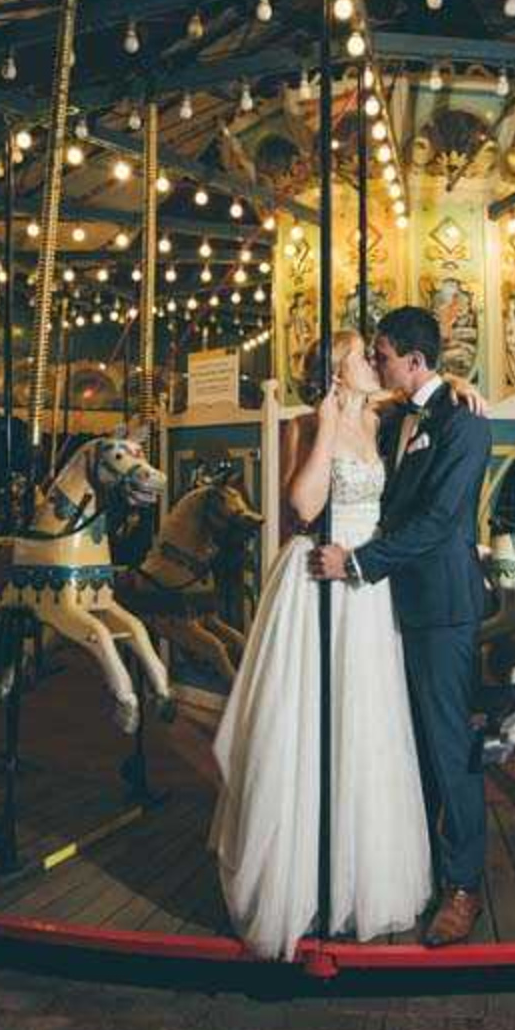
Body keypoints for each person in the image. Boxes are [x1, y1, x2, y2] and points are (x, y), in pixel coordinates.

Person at [209, 330, 432, 960]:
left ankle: (358, 875)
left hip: (364, 585)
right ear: (337, 371)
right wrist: (330, 424)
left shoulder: (383, 418)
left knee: (366, 726)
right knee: (307, 726)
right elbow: (301, 507)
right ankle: (300, 879)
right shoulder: (308, 424)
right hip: (318, 581)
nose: (374, 362)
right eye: (362, 355)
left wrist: (461, 386)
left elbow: (421, 394)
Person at [311, 306, 493, 948]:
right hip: (394, 606)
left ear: (413, 361)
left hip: (440, 606)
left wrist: (358, 561)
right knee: (407, 747)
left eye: (384, 355)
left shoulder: (463, 425)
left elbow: (442, 520)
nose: (380, 366)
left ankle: (465, 884)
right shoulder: (401, 416)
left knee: (449, 750)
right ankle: (416, 869)